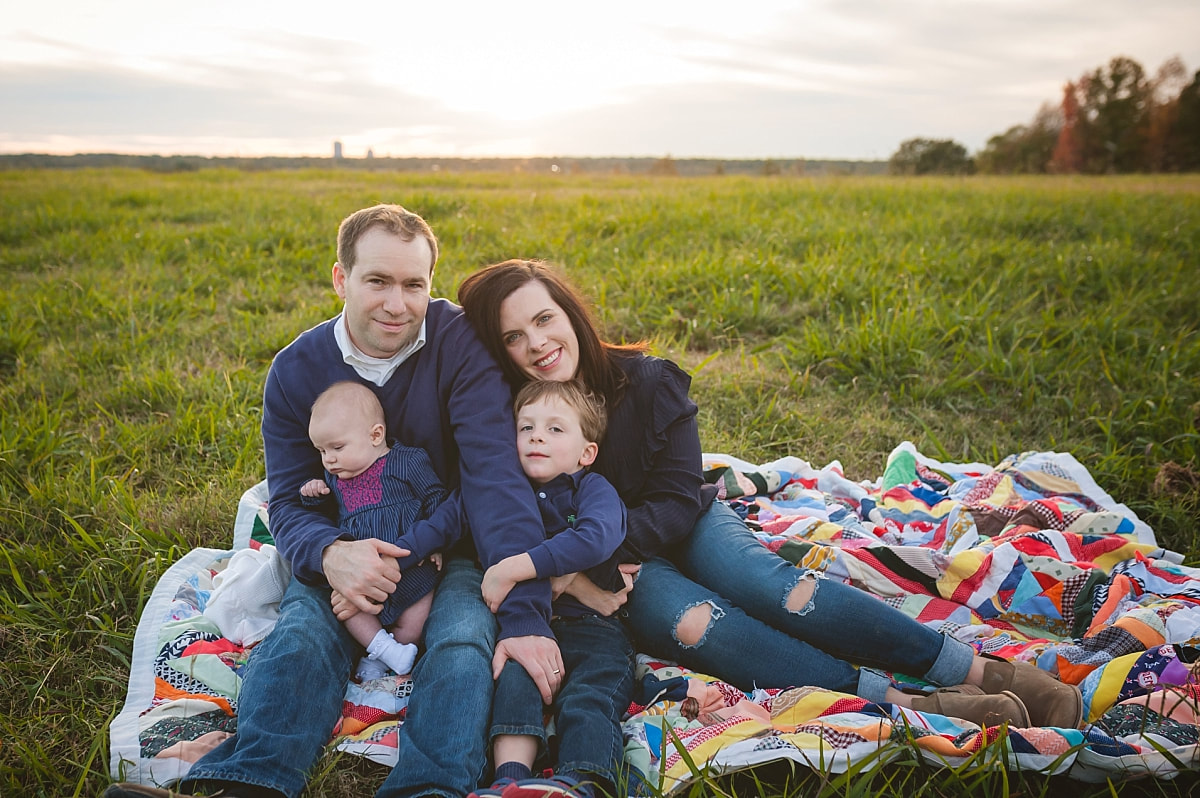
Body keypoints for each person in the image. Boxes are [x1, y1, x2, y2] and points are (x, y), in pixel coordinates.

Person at [457, 259, 1084, 732]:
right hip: (609, 565)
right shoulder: (511, 418)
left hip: (668, 529)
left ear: (568, 313)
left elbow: (677, 500)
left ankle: (981, 671)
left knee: (773, 587)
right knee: (699, 625)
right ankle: (914, 699)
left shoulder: (649, 383)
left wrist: (584, 556)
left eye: (543, 319)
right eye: (513, 337)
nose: (536, 343)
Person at [104, 206, 557, 798]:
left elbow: (492, 477)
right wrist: (332, 555)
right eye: (378, 281)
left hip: (450, 547)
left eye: (413, 285)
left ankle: (429, 788)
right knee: (302, 635)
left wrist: (524, 618)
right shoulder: (296, 370)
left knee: (463, 641)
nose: (397, 303)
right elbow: (290, 501)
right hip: (344, 539)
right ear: (341, 279)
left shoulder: (457, 341)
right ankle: (249, 783)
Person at [471, 379, 634, 798]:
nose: (537, 436)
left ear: (587, 453)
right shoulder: (506, 489)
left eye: (555, 429)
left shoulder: (592, 490)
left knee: (590, 696)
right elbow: (456, 514)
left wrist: (515, 568)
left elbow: (595, 537)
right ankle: (509, 780)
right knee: (514, 679)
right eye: (526, 428)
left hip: (593, 628)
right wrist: (419, 547)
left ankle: (583, 783)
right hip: (529, 625)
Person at [300, 379, 462, 681]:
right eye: (321, 450)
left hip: (412, 562)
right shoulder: (334, 478)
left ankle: (397, 649)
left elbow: (435, 499)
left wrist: (435, 544)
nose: (329, 459)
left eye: (337, 447)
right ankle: (384, 651)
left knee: (416, 616)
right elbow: (327, 516)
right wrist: (313, 495)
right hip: (361, 570)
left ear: (376, 435)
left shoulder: (408, 461)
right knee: (347, 609)